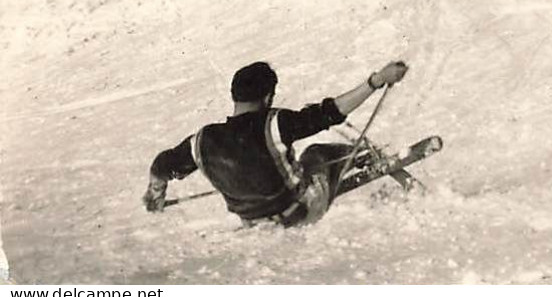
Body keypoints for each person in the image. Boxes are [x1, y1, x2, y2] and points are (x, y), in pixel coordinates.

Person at [142, 59, 409, 226]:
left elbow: (161, 165)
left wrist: (156, 194)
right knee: (317, 152)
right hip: (299, 212)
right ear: (268, 96)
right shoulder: (275, 123)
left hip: (252, 222)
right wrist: (376, 81)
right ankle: (364, 158)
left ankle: (356, 160)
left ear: (235, 96)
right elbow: (331, 112)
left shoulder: (201, 141)